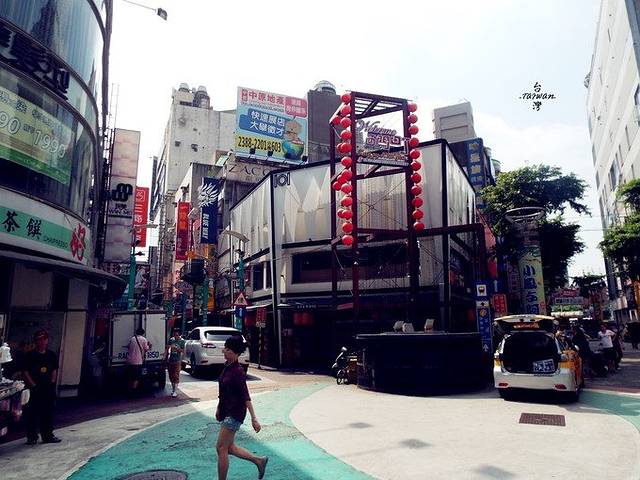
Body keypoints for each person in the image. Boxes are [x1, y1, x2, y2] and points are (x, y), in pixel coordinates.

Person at [215, 335, 268, 480]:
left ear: (236, 353)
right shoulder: (227, 367)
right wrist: (219, 408)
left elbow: (246, 396)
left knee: (221, 448)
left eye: (228, 350)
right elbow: (223, 392)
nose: (225, 351)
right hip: (227, 411)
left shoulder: (238, 371)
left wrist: (254, 418)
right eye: (225, 348)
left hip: (234, 413)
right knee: (230, 447)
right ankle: (259, 461)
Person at [22, 330, 61, 445]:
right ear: (35, 341)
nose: (42, 342)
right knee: (32, 412)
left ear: (47, 340)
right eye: (39, 340)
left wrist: (52, 382)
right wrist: (33, 385)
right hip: (34, 388)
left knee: (47, 412)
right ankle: (32, 436)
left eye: (44, 339)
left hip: (47, 387)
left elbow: (54, 369)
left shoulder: (51, 355)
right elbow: (25, 372)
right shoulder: (30, 356)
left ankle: (48, 435)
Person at [127, 327, 150, 392]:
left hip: (130, 361)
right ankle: (133, 390)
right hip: (138, 361)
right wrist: (149, 346)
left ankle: (130, 389)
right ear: (143, 333)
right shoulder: (144, 339)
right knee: (136, 377)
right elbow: (146, 349)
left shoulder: (132, 339)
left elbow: (128, 346)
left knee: (131, 376)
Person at [165, 327, 185, 398]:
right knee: (171, 375)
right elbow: (167, 348)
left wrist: (177, 348)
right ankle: (173, 389)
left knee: (176, 375)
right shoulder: (171, 340)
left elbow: (183, 350)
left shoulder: (182, 341)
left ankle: (175, 391)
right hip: (171, 360)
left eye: (177, 335)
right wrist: (165, 356)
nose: (175, 336)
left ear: (179, 335)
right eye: (174, 335)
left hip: (177, 360)